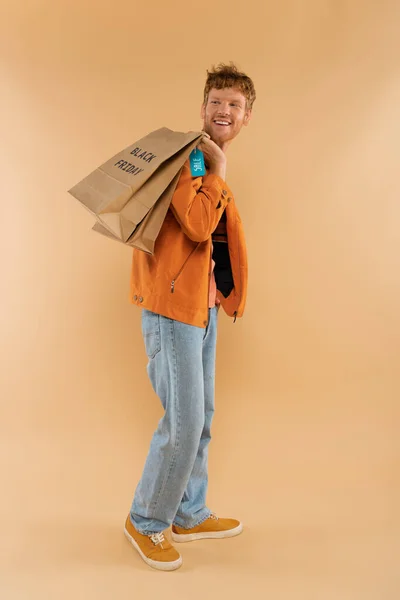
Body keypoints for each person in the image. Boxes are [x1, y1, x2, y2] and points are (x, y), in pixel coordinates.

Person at [124, 63, 256, 571]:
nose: (223, 111)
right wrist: (218, 169)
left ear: (247, 116)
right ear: (202, 108)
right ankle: (147, 519)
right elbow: (199, 225)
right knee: (183, 423)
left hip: (200, 308)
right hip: (172, 310)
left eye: (234, 105)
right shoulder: (192, 159)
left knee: (201, 419)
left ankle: (188, 510)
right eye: (216, 102)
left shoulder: (202, 158)